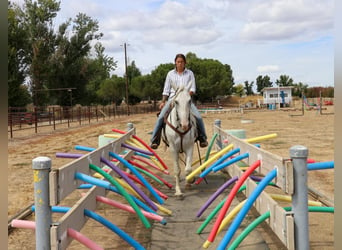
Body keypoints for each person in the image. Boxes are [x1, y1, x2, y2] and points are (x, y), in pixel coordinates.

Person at [150, 53, 208, 149]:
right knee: (161, 117)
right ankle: (155, 140)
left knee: (198, 117)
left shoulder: (190, 73)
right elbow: (166, 89)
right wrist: (163, 101)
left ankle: (203, 138)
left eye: (181, 62)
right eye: (178, 62)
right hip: (173, 99)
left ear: (185, 63)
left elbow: (193, 88)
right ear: (175, 63)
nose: (180, 64)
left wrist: (184, 96)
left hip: (186, 99)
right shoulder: (170, 74)